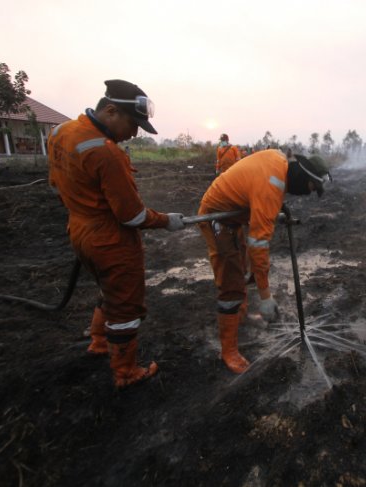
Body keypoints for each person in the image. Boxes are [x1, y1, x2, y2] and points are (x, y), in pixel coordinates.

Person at [47, 79, 186, 389]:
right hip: (110, 240)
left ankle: (99, 342)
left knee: (108, 290)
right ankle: (125, 372)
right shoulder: (105, 152)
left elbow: (56, 184)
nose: (135, 133)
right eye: (132, 123)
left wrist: (83, 210)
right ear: (110, 111)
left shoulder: (59, 132)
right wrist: (167, 221)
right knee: (124, 304)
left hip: (79, 229)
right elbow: (132, 215)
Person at [198, 150, 330, 373]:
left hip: (233, 217)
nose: (308, 194)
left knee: (239, 271)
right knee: (230, 281)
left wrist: (273, 211)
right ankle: (228, 351)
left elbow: (258, 193)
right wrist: (265, 295)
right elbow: (258, 244)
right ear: (302, 177)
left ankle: (239, 318)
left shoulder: (279, 164)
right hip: (217, 216)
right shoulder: (274, 183)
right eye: (311, 188)